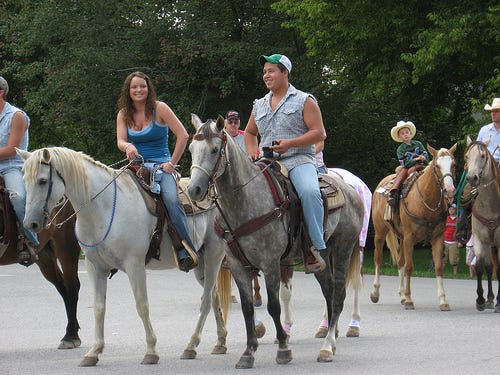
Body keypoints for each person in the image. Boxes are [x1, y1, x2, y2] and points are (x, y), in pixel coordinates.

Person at [244, 53, 327, 274]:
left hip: (298, 159)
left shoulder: (304, 100)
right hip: (267, 162)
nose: (266, 75)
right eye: (264, 72)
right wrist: (252, 152)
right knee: (242, 190)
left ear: (285, 72)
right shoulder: (259, 104)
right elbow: (250, 133)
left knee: (309, 192)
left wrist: (290, 144)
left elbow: (319, 133)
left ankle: (313, 247)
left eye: (271, 71)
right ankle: (241, 247)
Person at [116, 71, 198, 272]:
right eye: (134, 87)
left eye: (142, 86)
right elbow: (120, 140)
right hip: (137, 166)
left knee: (171, 200)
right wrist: (127, 146)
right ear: (128, 90)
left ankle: (186, 248)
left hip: (162, 166)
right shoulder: (123, 114)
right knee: (115, 195)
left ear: (148, 88)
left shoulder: (159, 108)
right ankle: (116, 248)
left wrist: (172, 163)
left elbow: (183, 135)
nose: (138, 90)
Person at [0, 76, 39, 266]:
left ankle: (29, 241)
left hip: (12, 166)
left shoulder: (16, 116)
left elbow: (12, 149)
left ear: (1, 92)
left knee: (18, 198)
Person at [387, 120, 430, 207]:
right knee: (402, 174)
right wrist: (416, 159)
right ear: (399, 136)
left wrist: (424, 157)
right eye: (402, 133)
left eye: (407, 132)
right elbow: (404, 163)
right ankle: (394, 192)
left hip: (422, 164)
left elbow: (425, 154)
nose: (405, 134)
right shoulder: (400, 149)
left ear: (410, 133)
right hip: (409, 166)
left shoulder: (418, 143)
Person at [477, 97, 500, 162]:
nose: (493, 113)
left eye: (496, 111)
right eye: (492, 111)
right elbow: (476, 149)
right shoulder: (484, 130)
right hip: (485, 164)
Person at [443, 203, 459, 275]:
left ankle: (455, 274)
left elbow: (460, 231)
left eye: (453, 209)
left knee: (454, 260)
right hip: (445, 241)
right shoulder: (446, 219)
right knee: (443, 259)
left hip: (454, 242)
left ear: (455, 210)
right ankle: (441, 273)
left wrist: (459, 242)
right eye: (450, 209)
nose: (451, 210)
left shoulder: (459, 219)